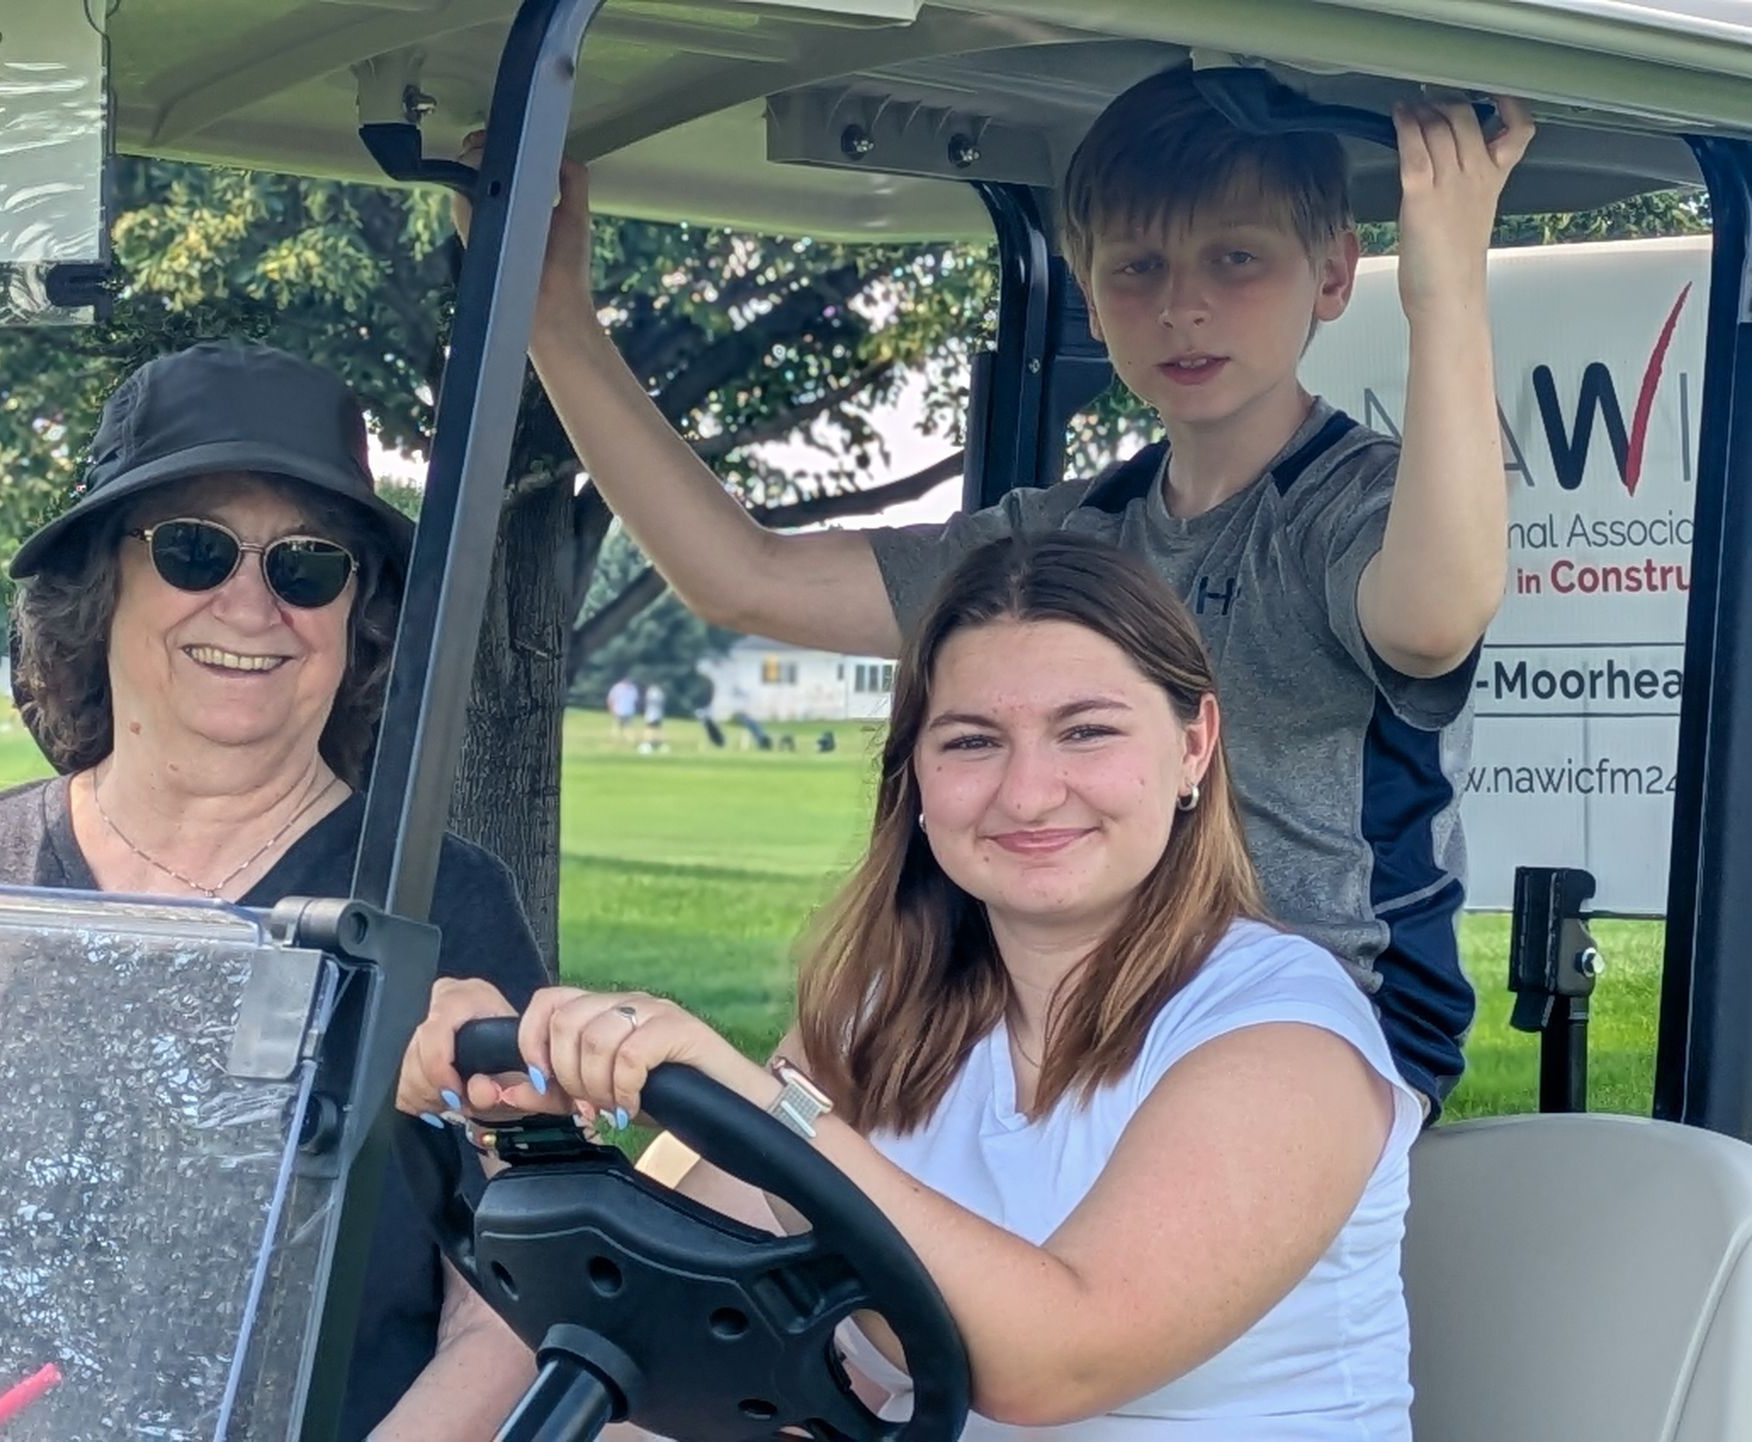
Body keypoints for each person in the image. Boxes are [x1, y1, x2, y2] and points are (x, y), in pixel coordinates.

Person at [455, 66, 1535, 1116]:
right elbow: (745, 579)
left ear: (1336, 275)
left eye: (1236, 259)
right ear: (1089, 287)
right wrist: (553, 320)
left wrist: (1446, 286)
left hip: (1320, 1042)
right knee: (811, 1100)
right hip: (1073, 1004)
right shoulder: (1064, 535)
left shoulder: (1355, 508)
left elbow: (1433, 615)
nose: (1184, 305)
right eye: (1139, 268)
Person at [400, 535, 1420, 1438]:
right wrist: (530, 1126)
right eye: (972, 740)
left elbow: (1060, 1353)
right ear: (918, 779)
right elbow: (669, 1280)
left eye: (1087, 730)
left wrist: (766, 1101)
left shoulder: (1285, 1038)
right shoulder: (887, 1015)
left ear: (1193, 744)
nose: (1027, 790)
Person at [0, 342, 547, 1442]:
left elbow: (511, 1299)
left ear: (357, 612)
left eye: (307, 564)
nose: (250, 603)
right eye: (195, 550)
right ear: (100, 580)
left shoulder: (446, 905)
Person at [607, 674, 641, 741]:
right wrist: (611, 709)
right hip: (618, 711)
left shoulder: (632, 688)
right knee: (618, 726)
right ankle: (616, 739)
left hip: (629, 711)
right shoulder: (617, 688)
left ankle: (629, 739)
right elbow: (611, 699)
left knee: (628, 727)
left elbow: (635, 700)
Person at [640, 680, 667, 752]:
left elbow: (647, 701)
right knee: (657, 729)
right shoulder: (660, 693)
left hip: (651, 714)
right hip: (658, 714)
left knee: (649, 729)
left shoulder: (651, 692)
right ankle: (656, 743)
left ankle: (648, 743)